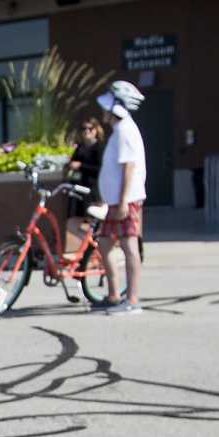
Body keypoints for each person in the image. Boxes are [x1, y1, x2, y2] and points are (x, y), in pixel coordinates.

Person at [94, 79, 146, 316]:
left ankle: (132, 299)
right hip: (115, 201)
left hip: (126, 201)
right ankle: (115, 295)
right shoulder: (119, 130)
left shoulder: (125, 130)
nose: (103, 111)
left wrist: (124, 200)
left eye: (107, 106)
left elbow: (129, 167)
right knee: (105, 244)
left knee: (129, 246)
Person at [64, 116, 106, 257]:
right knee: (71, 225)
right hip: (78, 190)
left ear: (96, 130)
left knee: (91, 222)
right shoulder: (80, 147)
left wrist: (81, 166)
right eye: (84, 129)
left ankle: (96, 250)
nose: (87, 131)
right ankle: (93, 246)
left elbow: (100, 169)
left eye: (90, 128)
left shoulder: (99, 147)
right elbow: (73, 163)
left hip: (92, 190)